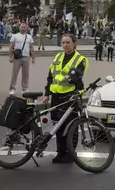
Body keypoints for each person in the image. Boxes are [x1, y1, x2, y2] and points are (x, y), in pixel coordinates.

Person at [41, 34, 90, 164]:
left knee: (71, 125)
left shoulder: (81, 59)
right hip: (56, 95)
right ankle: (60, 152)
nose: (65, 45)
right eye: (63, 43)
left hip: (71, 96)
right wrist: (46, 94)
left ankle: (71, 153)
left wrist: (68, 78)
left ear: (74, 44)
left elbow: (76, 77)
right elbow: (50, 77)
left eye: (68, 42)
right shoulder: (57, 57)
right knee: (57, 125)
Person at [9, 23, 36, 95]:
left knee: (26, 74)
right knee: (14, 73)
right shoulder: (15, 36)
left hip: (26, 57)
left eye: (24, 27)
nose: (23, 28)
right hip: (17, 57)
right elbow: (11, 47)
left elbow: (31, 47)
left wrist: (33, 57)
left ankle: (25, 89)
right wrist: (10, 56)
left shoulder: (29, 37)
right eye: (21, 27)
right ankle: (12, 88)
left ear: (26, 28)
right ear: (19, 28)